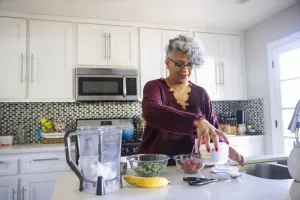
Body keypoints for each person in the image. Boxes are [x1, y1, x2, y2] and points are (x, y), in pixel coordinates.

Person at [138, 35, 244, 166]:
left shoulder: (201, 93)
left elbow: (212, 130)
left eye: (190, 65)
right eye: (179, 64)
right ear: (167, 63)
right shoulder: (154, 87)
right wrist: (196, 121)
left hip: (192, 168)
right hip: (156, 168)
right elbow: (152, 112)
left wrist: (225, 150)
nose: (185, 70)